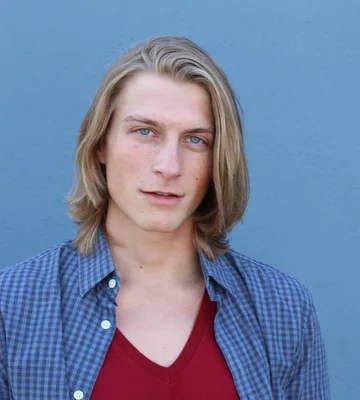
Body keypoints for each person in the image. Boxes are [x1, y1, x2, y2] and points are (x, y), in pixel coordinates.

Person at [0, 36, 330, 399]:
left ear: (218, 160)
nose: (168, 166)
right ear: (99, 145)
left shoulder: (281, 309)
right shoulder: (14, 305)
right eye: (145, 131)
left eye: (195, 140)